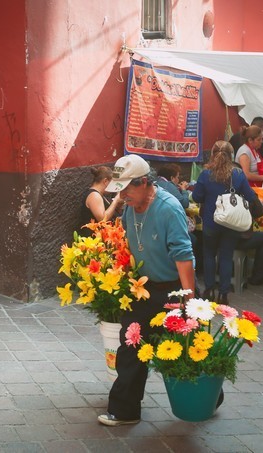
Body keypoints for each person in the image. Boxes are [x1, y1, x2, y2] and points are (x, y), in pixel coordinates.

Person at [98, 154, 195, 426]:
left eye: (128, 188)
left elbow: (184, 256)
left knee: (180, 350)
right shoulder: (130, 205)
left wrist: (188, 301)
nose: (123, 195)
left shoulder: (169, 208)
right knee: (130, 344)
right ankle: (125, 410)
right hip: (144, 290)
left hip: (173, 291)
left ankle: (208, 396)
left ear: (144, 182)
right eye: (121, 189)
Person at [192, 141, 258, 303]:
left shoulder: (205, 174)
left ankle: (208, 290)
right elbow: (250, 197)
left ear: (212, 154)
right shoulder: (238, 174)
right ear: (232, 156)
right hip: (231, 223)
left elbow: (196, 197)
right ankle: (223, 294)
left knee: (209, 255)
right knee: (226, 257)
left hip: (211, 222)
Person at [79, 166, 124, 234]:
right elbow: (102, 219)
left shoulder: (101, 195)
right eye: (112, 183)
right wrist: (116, 200)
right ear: (105, 181)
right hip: (94, 240)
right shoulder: (94, 195)